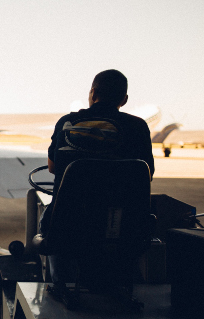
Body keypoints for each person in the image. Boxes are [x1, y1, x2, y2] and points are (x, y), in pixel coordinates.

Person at [41, 69, 154, 306]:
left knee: (49, 217)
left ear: (92, 93)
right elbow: (146, 173)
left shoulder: (66, 123)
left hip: (70, 223)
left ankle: (60, 282)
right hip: (121, 224)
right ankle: (117, 280)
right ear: (124, 100)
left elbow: (53, 167)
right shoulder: (138, 128)